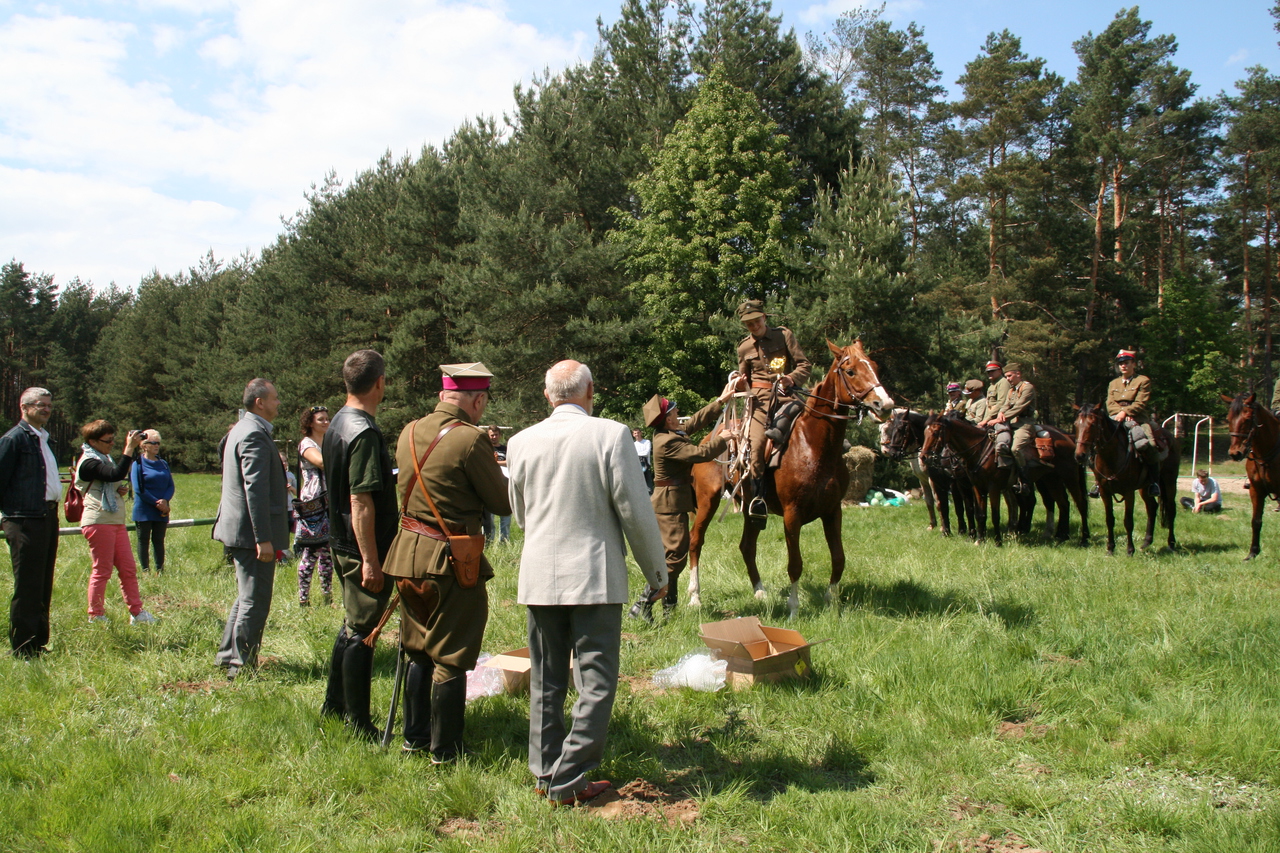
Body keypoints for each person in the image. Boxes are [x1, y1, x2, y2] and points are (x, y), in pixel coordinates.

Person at [507, 360, 667, 806]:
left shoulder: (519, 442)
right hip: (595, 575)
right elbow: (635, 511)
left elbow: (519, 514)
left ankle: (545, 774)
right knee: (596, 682)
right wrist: (656, 573)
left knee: (547, 681)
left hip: (539, 574)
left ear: (547, 396)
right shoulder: (611, 434)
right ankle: (568, 779)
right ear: (591, 390)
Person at [382, 362, 512, 762]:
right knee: (451, 656)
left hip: (405, 556)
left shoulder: (408, 431)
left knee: (417, 649)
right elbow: (501, 502)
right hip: (450, 562)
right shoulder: (470, 440)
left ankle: (414, 739)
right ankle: (447, 751)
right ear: (476, 400)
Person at [320, 350, 398, 739]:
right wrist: (371, 560)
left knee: (352, 625)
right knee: (363, 632)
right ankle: (358, 722)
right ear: (380, 383)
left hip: (341, 540)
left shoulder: (337, 421)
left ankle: (334, 706)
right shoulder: (363, 432)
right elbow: (360, 500)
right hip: (361, 548)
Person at [637, 380, 739, 618]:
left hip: (672, 503)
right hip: (668, 505)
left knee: (673, 556)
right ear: (667, 418)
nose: (678, 412)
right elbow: (700, 454)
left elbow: (694, 422)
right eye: (674, 411)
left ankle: (669, 609)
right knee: (675, 558)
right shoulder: (668, 441)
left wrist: (721, 401)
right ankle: (643, 603)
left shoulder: (669, 432)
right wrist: (723, 438)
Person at [212, 379, 289, 679]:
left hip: (239, 529)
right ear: (260, 402)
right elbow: (253, 490)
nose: (278, 402)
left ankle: (227, 658)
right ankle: (241, 667)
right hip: (249, 532)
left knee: (246, 596)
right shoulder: (253, 434)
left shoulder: (241, 429)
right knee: (255, 600)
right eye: (274, 398)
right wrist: (263, 539)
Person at [735, 299, 811, 521]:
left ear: (764, 317)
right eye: (748, 323)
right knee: (756, 446)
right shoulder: (744, 347)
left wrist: (791, 378)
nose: (753, 325)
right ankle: (758, 500)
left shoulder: (783, 335)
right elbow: (744, 379)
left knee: (820, 423)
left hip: (788, 396)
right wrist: (739, 385)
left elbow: (804, 365)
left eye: (756, 320)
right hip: (759, 402)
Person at [76, 419, 157, 626]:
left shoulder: (104, 458)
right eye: (108, 440)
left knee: (128, 569)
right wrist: (129, 448)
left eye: (113, 440)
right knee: (102, 570)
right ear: (93, 441)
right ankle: (96, 615)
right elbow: (115, 474)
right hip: (98, 521)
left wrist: (117, 489)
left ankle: (137, 612)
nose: (112, 443)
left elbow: (113, 479)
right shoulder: (89, 462)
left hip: (114, 521)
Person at [0, 388, 62, 657]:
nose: (46, 409)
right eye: (40, 405)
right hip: (23, 519)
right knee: (27, 585)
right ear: (23, 407)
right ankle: (23, 649)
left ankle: (38, 642)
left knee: (42, 582)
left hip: (47, 517)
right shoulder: (14, 439)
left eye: (48, 405)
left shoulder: (42, 439)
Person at [1107, 349, 1161, 497]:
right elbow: (1110, 404)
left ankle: (1153, 482)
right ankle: (1100, 482)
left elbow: (1140, 402)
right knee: (1099, 442)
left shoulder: (1143, 381)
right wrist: (1120, 414)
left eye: (1126, 363)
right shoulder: (1114, 383)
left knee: (1148, 444)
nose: (1123, 366)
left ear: (1133, 364)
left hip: (1138, 419)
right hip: (1116, 418)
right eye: (1121, 364)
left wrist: (1126, 413)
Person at [296, 405, 333, 607]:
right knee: (311, 553)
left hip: (329, 502)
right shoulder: (306, 444)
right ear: (310, 423)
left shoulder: (328, 441)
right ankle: (304, 598)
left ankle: (327, 597)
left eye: (327, 418)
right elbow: (321, 462)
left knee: (328, 552)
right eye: (321, 419)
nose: (326, 422)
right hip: (313, 504)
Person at [131, 429, 174, 574]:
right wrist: (157, 503)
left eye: (158, 443)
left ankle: (160, 570)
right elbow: (139, 489)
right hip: (144, 509)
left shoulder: (163, 463)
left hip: (161, 510)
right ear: (144, 445)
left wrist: (165, 501)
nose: (156, 446)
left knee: (159, 541)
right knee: (143, 541)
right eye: (153, 443)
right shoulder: (137, 463)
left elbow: (170, 485)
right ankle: (145, 570)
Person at [990, 363, 1038, 493]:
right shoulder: (1012, 390)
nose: (1008, 379)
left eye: (1010, 376)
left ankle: (1025, 481)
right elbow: (1006, 404)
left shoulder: (1027, 388)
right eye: (1006, 376)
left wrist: (1001, 418)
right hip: (1011, 423)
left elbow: (1019, 407)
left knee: (1016, 449)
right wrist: (1001, 413)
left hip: (1024, 423)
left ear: (1018, 374)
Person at [480, 424, 512, 545]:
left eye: (496, 435)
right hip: (489, 484)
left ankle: (504, 540)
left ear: (500, 435)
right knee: (489, 517)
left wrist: (497, 462)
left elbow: (510, 461)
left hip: (504, 483)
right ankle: (488, 540)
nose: (494, 437)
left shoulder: (505, 449)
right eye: (491, 435)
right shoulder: (485, 449)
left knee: (506, 515)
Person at [632, 427, 654, 493]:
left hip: (646, 465)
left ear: (641, 433)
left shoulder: (647, 442)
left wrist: (637, 454)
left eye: (638, 433)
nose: (637, 434)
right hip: (637, 465)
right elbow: (632, 454)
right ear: (633, 435)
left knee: (648, 484)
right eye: (635, 433)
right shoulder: (633, 444)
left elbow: (646, 453)